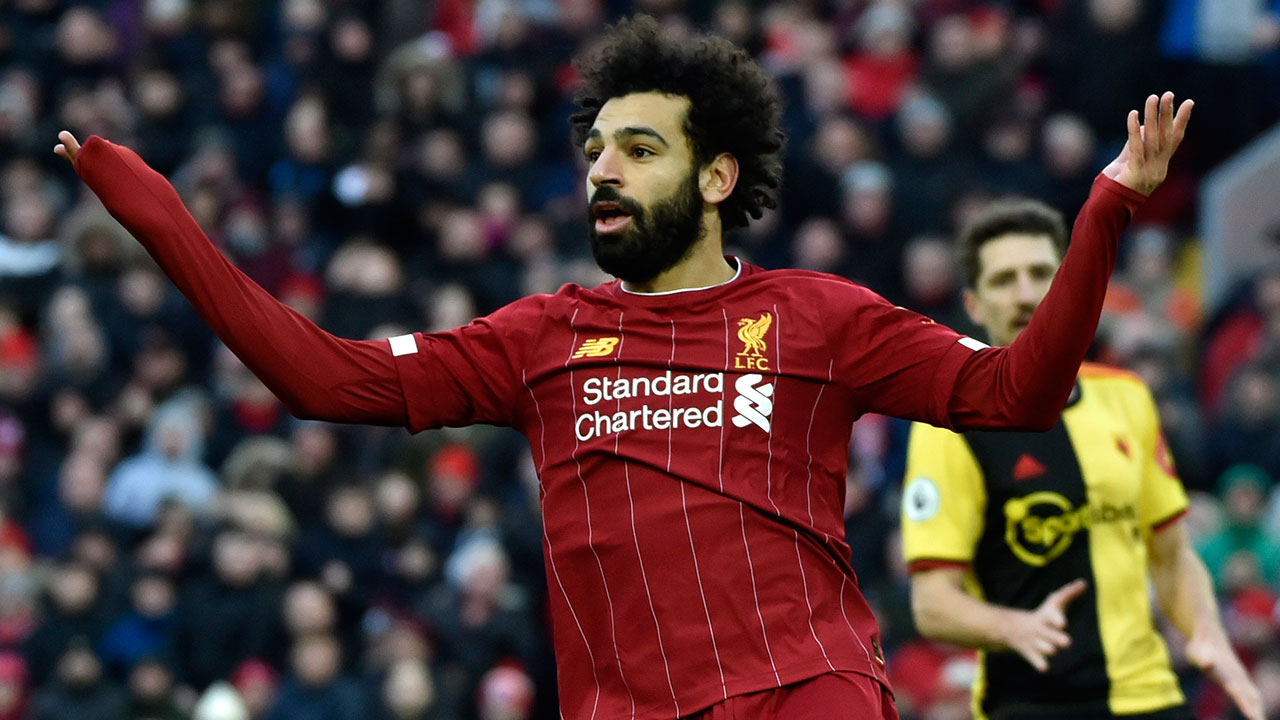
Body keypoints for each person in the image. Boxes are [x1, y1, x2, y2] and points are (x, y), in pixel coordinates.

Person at [54, 15, 1191, 720]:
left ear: (713, 176)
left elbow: (1017, 390)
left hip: (810, 694)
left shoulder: (819, 316)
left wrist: (1104, 210)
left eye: (637, 149)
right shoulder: (537, 339)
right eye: (593, 148)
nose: (602, 168)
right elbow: (321, 378)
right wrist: (162, 219)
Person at [900, 198, 1262, 720]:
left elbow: (1171, 555)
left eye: (1041, 274)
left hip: (1149, 696)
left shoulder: (1127, 395)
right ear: (975, 305)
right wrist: (1014, 627)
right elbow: (933, 604)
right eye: (1004, 280)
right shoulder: (950, 426)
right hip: (1030, 704)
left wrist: (1207, 634)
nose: (1026, 295)